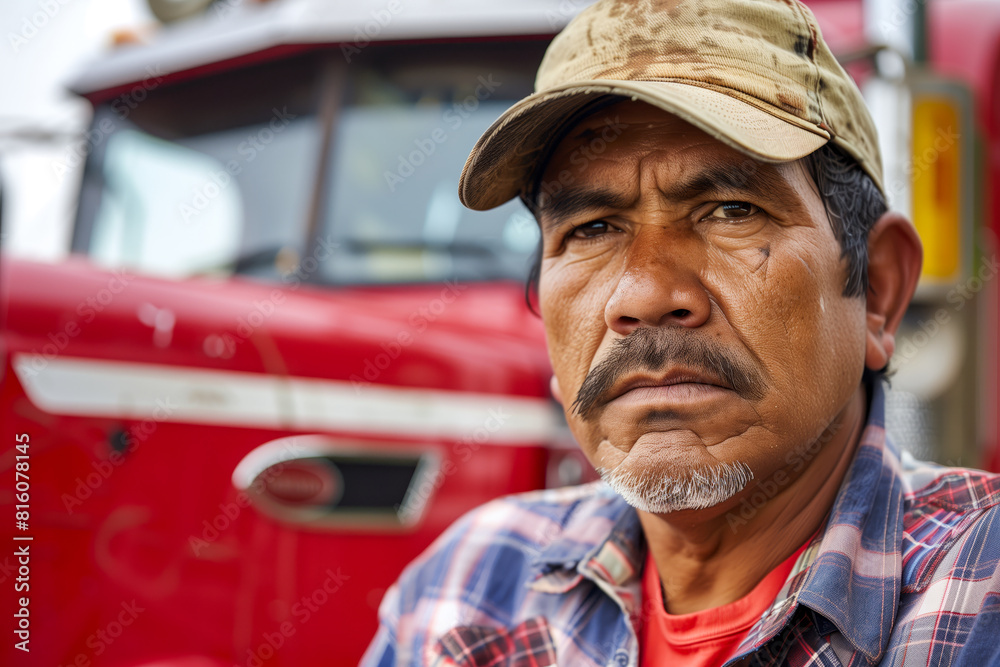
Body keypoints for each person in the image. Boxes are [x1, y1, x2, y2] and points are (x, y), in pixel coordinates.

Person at [362, 0, 1000, 665]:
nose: (644, 296)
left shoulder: (978, 593)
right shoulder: (466, 592)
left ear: (877, 289)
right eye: (592, 229)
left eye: (730, 211)